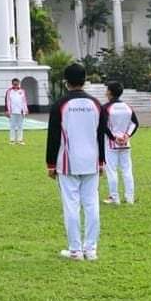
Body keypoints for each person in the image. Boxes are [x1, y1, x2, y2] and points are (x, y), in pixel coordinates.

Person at [45, 63, 107, 261]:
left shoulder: (60, 104)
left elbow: (53, 136)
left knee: (71, 205)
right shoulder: (96, 104)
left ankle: (75, 250)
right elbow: (100, 135)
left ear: (66, 82)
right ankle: (90, 249)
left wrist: (50, 164)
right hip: (91, 160)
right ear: (84, 80)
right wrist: (102, 161)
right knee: (91, 204)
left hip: (67, 161)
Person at [101, 81, 139, 205]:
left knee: (112, 170)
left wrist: (113, 138)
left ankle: (114, 197)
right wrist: (127, 136)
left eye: (107, 89)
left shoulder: (106, 107)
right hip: (125, 144)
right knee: (127, 170)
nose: (105, 92)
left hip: (111, 144)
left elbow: (103, 126)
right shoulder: (128, 107)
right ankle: (130, 197)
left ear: (110, 92)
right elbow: (135, 123)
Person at [5, 78, 29, 145]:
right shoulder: (9, 91)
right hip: (12, 111)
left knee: (20, 126)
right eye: (14, 84)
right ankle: (12, 140)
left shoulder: (22, 91)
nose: (15, 85)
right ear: (12, 84)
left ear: (19, 83)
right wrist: (7, 110)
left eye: (17, 84)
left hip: (20, 111)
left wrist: (26, 109)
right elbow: (7, 101)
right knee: (12, 126)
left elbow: (24, 101)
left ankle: (20, 140)